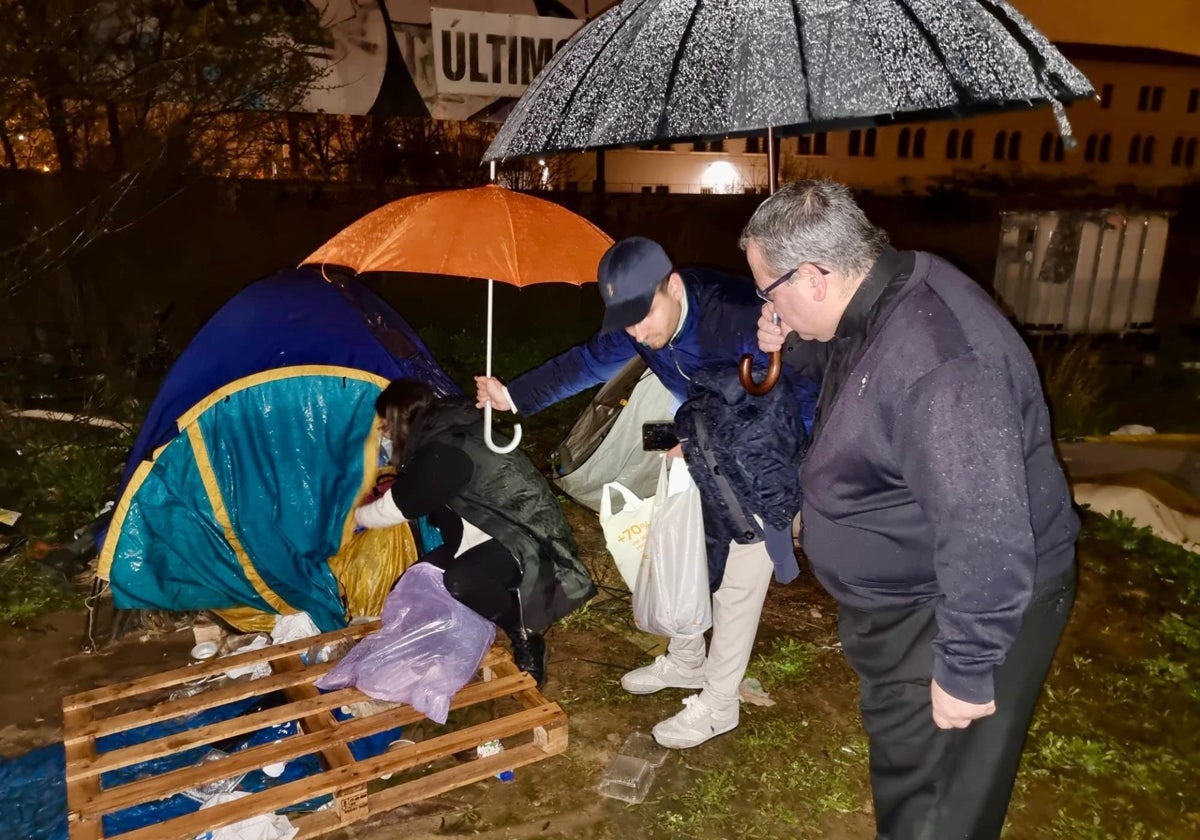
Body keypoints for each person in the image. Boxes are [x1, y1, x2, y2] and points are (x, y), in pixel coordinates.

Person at [741, 179, 1079, 839]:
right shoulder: (884, 292)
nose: (764, 300)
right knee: (909, 776)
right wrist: (798, 339)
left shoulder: (942, 365)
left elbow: (984, 528)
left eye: (767, 288)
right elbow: (859, 367)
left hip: (961, 603)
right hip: (908, 603)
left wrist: (966, 665)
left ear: (813, 275)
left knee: (941, 800)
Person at [475, 236, 819, 749]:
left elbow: (803, 390)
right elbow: (586, 362)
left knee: (740, 581)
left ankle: (720, 703)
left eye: (643, 315)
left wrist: (778, 454)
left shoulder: (744, 315)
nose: (638, 332)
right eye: (626, 321)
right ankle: (686, 660)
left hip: (769, 457)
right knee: (692, 555)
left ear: (674, 286)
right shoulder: (639, 329)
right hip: (706, 444)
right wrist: (513, 395)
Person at [354, 379, 596, 688]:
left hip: (529, 541)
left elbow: (399, 507)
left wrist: (351, 517)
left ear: (401, 421)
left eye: (386, 427)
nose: (384, 435)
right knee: (419, 579)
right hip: (490, 532)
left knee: (459, 581)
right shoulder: (445, 433)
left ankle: (524, 633)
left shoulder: (445, 448)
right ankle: (484, 612)